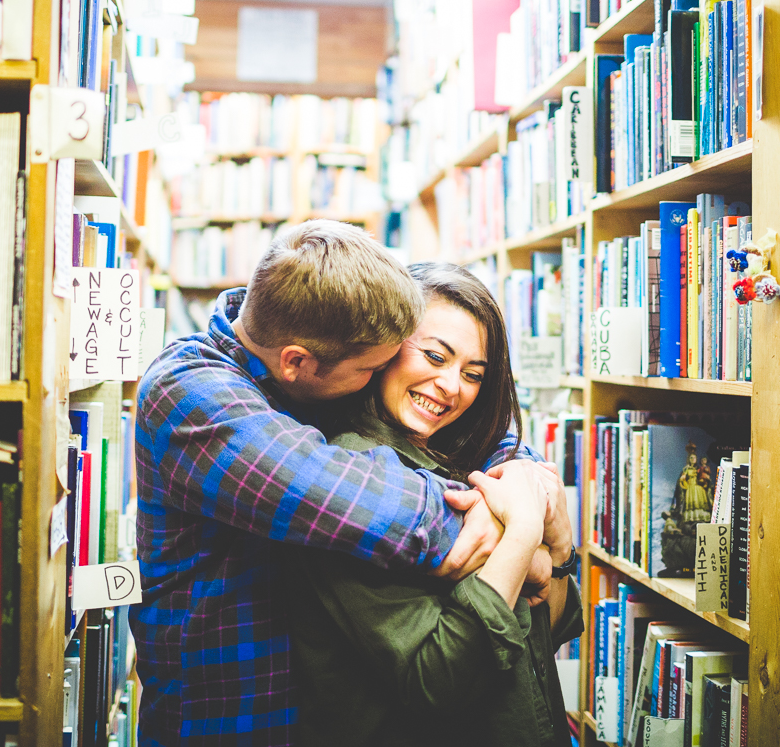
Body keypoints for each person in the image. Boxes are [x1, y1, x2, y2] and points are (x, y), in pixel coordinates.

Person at [130, 221, 544, 747]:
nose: (378, 380)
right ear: (297, 362)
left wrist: (529, 474)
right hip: (228, 719)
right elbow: (349, 501)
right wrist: (520, 531)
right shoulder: (190, 392)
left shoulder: (314, 358)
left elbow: (477, 433)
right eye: (373, 368)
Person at [287, 262, 583, 747]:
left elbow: (555, 627)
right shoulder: (353, 475)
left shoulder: (471, 456)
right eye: (434, 356)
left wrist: (560, 548)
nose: (451, 386)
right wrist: (528, 530)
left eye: (472, 373)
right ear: (383, 349)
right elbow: (442, 681)